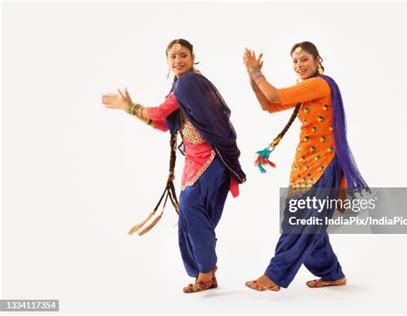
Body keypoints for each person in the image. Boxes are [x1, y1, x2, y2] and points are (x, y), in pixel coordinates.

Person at [102, 39, 246, 293]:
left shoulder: (190, 83)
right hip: (194, 163)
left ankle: (205, 272)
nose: (178, 60)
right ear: (167, 61)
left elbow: (158, 113)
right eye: (173, 56)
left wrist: (130, 106)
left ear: (193, 57)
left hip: (211, 160)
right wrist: (132, 111)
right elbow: (166, 124)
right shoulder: (180, 87)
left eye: (183, 55)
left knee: (192, 213)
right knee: (191, 219)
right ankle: (207, 273)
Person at [243, 41, 369, 291]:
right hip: (305, 162)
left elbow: (275, 95)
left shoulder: (320, 84)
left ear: (317, 61)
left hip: (324, 162)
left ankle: (274, 275)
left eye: (304, 60)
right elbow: (268, 105)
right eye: (295, 61)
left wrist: (256, 72)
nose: (299, 65)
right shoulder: (305, 88)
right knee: (310, 221)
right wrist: (251, 77)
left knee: (300, 219)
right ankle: (332, 274)